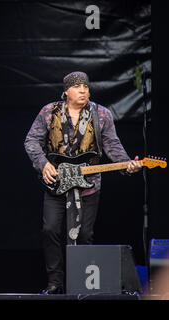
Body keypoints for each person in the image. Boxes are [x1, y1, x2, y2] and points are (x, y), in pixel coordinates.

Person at [24, 71, 142, 294]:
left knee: (84, 234)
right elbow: (31, 140)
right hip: (56, 183)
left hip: (89, 184)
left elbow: (112, 146)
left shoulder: (102, 114)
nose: (83, 90)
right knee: (50, 230)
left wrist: (127, 164)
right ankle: (55, 282)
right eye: (77, 87)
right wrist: (43, 164)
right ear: (66, 91)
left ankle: (79, 282)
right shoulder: (49, 112)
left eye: (85, 87)